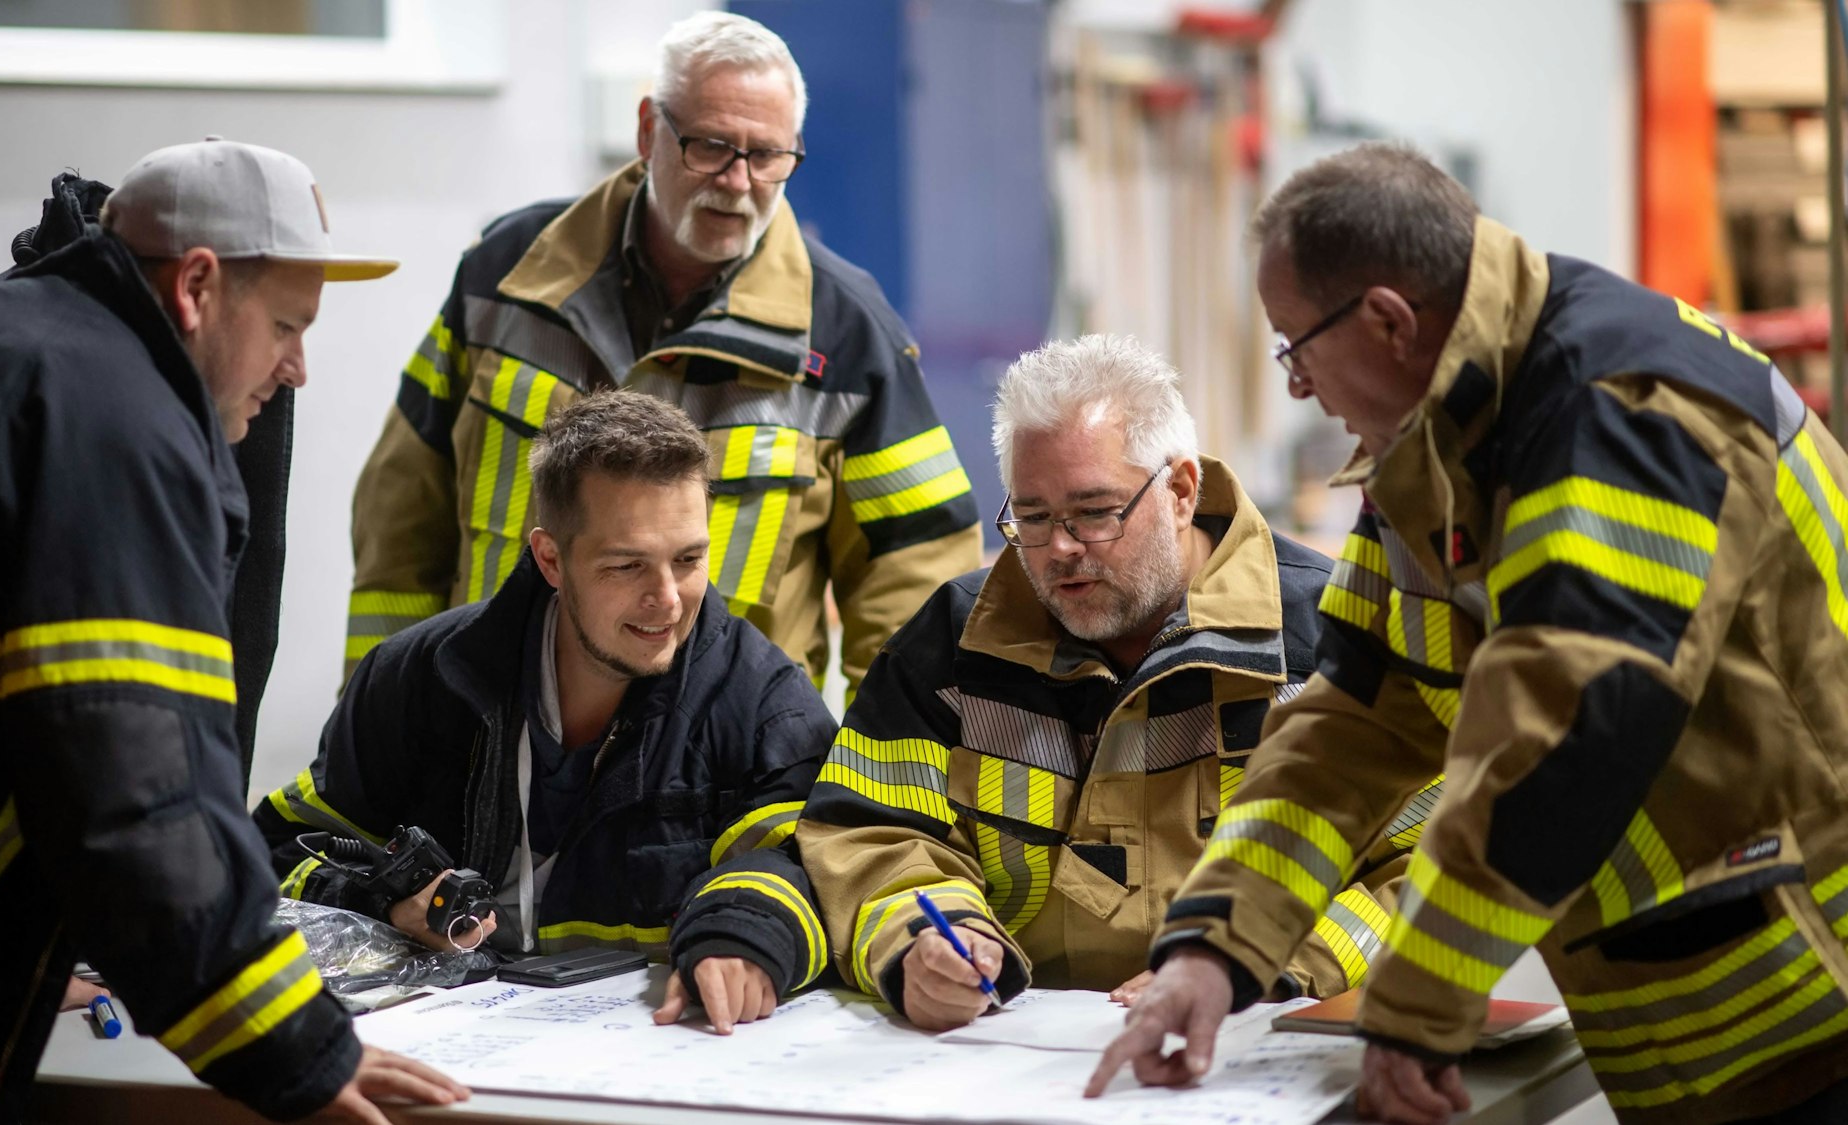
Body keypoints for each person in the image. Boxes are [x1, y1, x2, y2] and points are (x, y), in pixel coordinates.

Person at [1089, 142, 1848, 1125]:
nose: (1297, 389)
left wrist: (1414, 1007)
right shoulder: (1443, 449)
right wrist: (1209, 950)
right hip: (1715, 1028)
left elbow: (1565, 736)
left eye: (1293, 348)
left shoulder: (1616, 412)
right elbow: (1349, 727)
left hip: (1812, 1009)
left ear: (1387, 321)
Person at [0, 139, 466, 1123]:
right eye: (285, 328)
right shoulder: (116, 424)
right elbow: (136, 787)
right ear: (197, 286)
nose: (297, 369)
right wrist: (292, 1047)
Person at [342, 11, 979, 697]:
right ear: (649, 130)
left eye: (766, 157)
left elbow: (915, 596)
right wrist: (384, 726)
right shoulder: (506, 276)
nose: (737, 181)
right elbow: (399, 537)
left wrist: (858, 797)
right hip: (493, 741)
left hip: (720, 782)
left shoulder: (848, 337)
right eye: (710, 146)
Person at [796, 334, 1416, 1030]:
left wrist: (1259, 966)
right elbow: (868, 830)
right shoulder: (951, 647)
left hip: (1254, 1050)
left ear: (1182, 492)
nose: (1060, 548)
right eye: (1032, 516)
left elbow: (1422, 863)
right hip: (1008, 1058)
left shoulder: (1329, 640)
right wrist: (922, 940)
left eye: (1094, 512)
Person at [258, 391, 835, 1034]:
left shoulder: (766, 704)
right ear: (551, 559)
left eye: (689, 559)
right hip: (439, 1056)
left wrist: (744, 935)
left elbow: (811, 864)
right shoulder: (419, 676)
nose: (669, 601)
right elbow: (277, 851)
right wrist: (384, 904)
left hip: (655, 1063)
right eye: (627, 565)